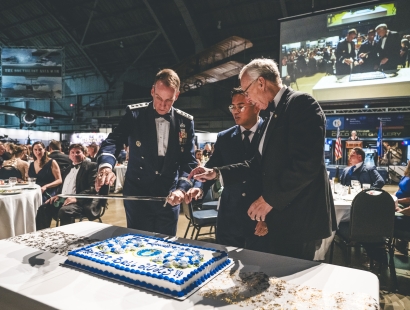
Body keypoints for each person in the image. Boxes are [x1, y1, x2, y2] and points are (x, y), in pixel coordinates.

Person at [189, 58, 336, 260]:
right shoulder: (271, 116)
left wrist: (269, 199)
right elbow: (256, 164)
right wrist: (217, 172)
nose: (247, 99)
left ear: (261, 82)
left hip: (300, 220)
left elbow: (306, 164)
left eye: (247, 91)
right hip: (284, 220)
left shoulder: (301, 103)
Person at [95, 69, 201, 236]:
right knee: (137, 246)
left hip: (169, 197)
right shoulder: (135, 114)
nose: (162, 105)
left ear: (177, 96)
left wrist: (181, 189)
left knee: (165, 247)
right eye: (158, 98)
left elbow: (188, 161)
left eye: (169, 100)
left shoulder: (185, 122)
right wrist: (106, 167)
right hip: (138, 195)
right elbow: (113, 141)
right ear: (152, 91)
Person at [190, 88, 269, 251]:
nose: (235, 112)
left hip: (260, 216)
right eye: (232, 107)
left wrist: (268, 217)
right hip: (229, 216)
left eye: (241, 106)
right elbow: (211, 167)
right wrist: (199, 188)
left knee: (259, 268)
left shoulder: (269, 133)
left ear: (256, 107)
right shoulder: (224, 137)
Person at [36, 144, 101, 229]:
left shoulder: (91, 166)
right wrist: (57, 195)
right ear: (69, 155)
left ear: (84, 153)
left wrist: (76, 198)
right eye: (72, 152)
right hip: (64, 199)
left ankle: (66, 237)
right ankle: (42, 234)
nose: (75, 155)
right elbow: (63, 186)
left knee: (64, 211)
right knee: (43, 208)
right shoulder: (68, 169)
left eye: (78, 152)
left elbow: (93, 188)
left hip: (81, 202)